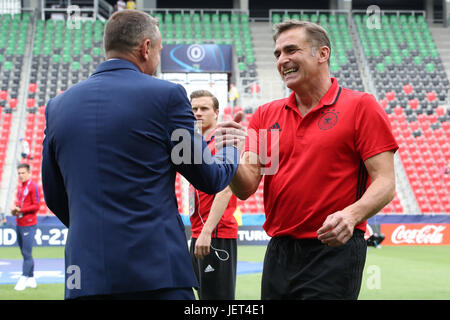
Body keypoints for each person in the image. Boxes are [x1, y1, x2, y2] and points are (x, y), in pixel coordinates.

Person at [41, 10, 242, 300]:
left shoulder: (57, 106)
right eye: (159, 51)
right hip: (156, 273)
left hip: (85, 273)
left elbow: (54, 196)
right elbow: (209, 178)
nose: (157, 59)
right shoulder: (167, 96)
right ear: (146, 48)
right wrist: (230, 148)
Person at [216, 20, 399, 300]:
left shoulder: (360, 106)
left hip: (333, 249)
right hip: (279, 250)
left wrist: (352, 215)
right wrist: (229, 156)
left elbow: (385, 182)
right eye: (277, 54)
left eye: (291, 50)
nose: (282, 60)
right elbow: (246, 187)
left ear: (322, 54)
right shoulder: (266, 115)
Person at [189, 90, 238, 300]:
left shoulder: (223, 141)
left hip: (215, 234)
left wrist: (207, 231)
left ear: (217, 112)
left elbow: (226, 188)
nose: (198, 113)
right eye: (194, 109)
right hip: (198, 233)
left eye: (204, 108)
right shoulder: (197, 144)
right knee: (204, 297)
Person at [10, 163, 39, 291]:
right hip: (19, 223)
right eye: (19, 173)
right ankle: (32, 278)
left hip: (29, 224)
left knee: (27, 253)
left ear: (28, 173)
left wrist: (21, 210)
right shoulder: (21, 187)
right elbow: (20, 203)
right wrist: (15, 209)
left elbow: (36, 206)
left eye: (23, 173)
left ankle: (23, 278)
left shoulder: (33, 186)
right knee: (24, 253)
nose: (21, 175)